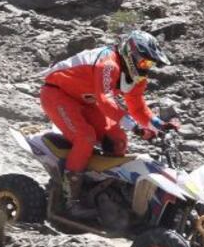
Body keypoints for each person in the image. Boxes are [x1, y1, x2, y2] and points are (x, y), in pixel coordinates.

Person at [40, 30, 179, 216]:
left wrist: (158, 125)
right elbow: (106, 101)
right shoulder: (108, 63)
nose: (147, 67)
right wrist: (136, 128)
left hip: (85, 101)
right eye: (145, 61)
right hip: (58, 94)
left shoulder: (137, 77)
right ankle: (69, 200)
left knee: (117, 140)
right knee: (85, 137)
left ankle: (103, 194)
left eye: (150, 63)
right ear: (131, 54)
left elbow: (137, 108)